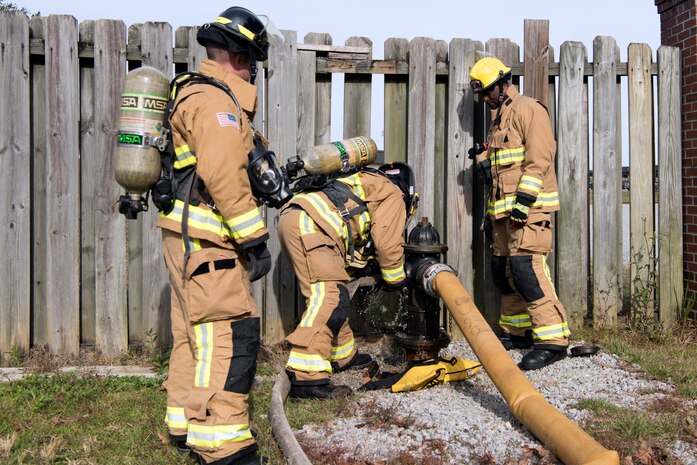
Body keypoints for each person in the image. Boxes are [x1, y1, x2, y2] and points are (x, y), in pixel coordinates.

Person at [157, 7, 274, 465]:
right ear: (240, 55)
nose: (254, 72)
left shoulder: (193, 94)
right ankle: (223, 445)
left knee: (193, 335)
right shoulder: (217, 103)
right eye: (253, 61)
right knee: (230, 335)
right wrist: (253, 239)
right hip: (210, 242)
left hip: (184, 240)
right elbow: (224, 174)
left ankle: (183, 423)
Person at [278, 162, 418, 398]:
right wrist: (395, 278)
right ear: (408, 193)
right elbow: (387, 244)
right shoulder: (393, 194)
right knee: (330, 298)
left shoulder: (363, 181)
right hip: (312, 226)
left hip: (295, 219)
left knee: (331, 291)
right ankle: (307, 378)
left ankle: (342, 355)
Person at [469, 56, 570, 371]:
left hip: (527, 211)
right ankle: (516, 333)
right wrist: (483, 158)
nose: (485, 98)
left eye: (487, 91)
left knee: (527, 272)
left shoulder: (529, 109)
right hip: (502, 216)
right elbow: (503, 172)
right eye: (481, 93)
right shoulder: (499, 118)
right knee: (504, 274)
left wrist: (523, 204)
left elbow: (539, 160)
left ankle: (553, 341)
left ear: (502, 83)